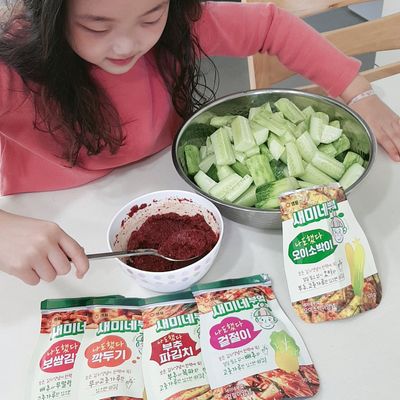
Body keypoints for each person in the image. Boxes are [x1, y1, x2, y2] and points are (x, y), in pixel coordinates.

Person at [0, 0, 399, 285]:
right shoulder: (11, 68)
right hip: (58, 217)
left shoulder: (183, 21)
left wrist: (359, 93)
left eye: (151, 17)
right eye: (96, 27)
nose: (127, 45)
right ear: (50, 14)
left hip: (170, 182)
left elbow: (271, 26)